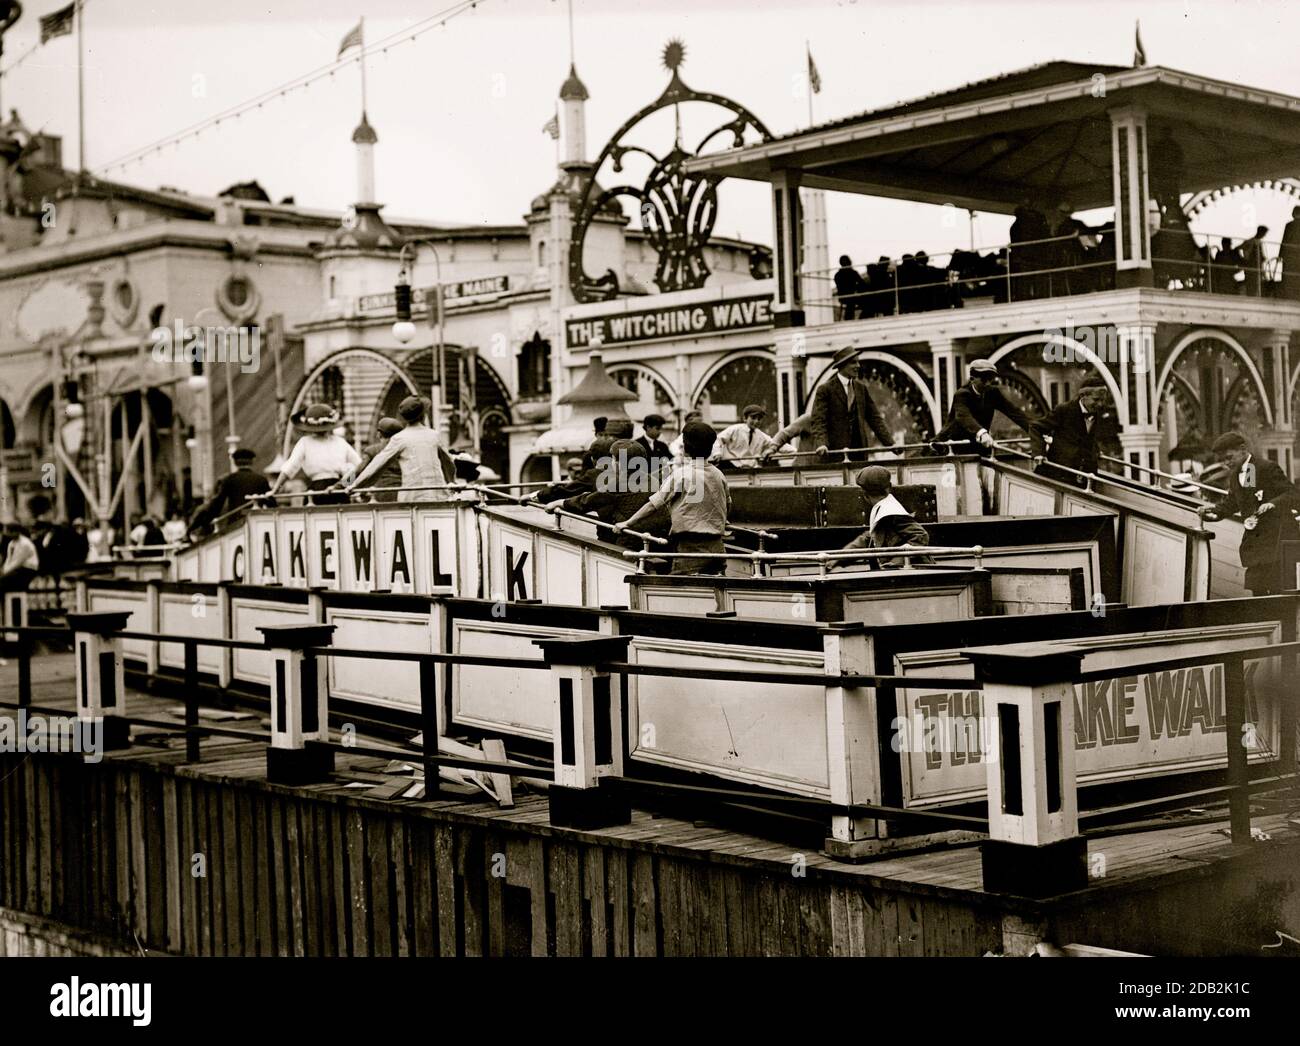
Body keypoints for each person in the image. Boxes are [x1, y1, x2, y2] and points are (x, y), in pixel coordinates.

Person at [617, 420, 731, 575]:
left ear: (686, 448)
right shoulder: (719, 474)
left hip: (690, 546)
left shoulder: (681, 474)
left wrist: (627, 523)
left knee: (680, 589)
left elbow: (654, 504)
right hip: (717, 546)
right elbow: (727, 504)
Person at [1198, 432, 1300, 595]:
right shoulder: (1241, 473)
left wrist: (1272, 504)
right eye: (1223, 459)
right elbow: (1235, 502)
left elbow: (1293, 494)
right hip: (1257, 550)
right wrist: (1214, 513)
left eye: (1229, 457)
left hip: (1278, 546)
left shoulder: (1266, 468)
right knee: (1258, 596)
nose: (1226, 463)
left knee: (1280, 597)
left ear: (1243, 449)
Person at [548, 439, 671, 551]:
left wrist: (558, 503)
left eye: (612, 458)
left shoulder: (618, 485)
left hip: (632, 541)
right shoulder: (653, 480)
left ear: (619, 463)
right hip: (659, 540)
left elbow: (586, 502)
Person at [345, 396, 447, 503]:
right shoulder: (426, 438)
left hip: (388, 495)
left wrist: (344, 485)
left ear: (379, 434)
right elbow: (446, 463)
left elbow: (358, 472)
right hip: (412, 492)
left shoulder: (374, 450)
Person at [932, 360, 1036, 454]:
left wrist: (1035, 432)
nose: (988, 383)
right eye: (984, 380)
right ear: (972, 379)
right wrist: (982, 433)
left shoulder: (992, 393)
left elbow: (1014, 413)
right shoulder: (962, 394)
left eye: (990, 379)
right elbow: (963, 416)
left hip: (980, 445)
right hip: (956, 446)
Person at [268, 403, 362, 506]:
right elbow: (360, 466)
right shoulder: (340, 441)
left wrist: (275, 489)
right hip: (338, 490)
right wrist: (347, 483)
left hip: (317, 490)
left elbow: (290, 467)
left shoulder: (305, 442)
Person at [810, 346, 894, 459]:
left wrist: (891, 444)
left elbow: (875, 419)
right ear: (842, 365)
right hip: (835, 454)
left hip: (860, 453)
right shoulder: (825, 389)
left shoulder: (861, 389)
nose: (858, 366)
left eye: (858, 362)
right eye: (853, 363)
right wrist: (822, 444)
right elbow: (818, 421)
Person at [840, 465, 932, 568]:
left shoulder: (891, 511)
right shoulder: (883, 507)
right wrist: (838, 558)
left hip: (914, 572)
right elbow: (870, 538)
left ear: (864, 494)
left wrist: (895, 562)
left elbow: (920, 536)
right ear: (889, 488)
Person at [1029, 379, 1113, 486]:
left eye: (1102, 400)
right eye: (1096, 400)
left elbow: (1086, 437)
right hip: (1060, 474)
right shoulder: (1064, 410)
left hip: (1085, 476)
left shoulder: (1097, 412)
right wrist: (1039, 453)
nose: (1100, 404)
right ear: (1083, 396)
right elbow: (1035, 427)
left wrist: (1095, 450)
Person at [189, 447, 273, 533]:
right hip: (257, 523)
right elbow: (271, 503)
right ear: (252, 461)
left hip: (235, 524)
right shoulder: (261, 480)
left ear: (235, 462)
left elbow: (217, 504)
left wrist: (206, 522)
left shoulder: (229, 479)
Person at [354, 418, 405, 503]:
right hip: (404, 493)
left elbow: (357, 472)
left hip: (381, 495)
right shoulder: (404, 449)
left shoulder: (372, 450)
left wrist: (341, 485)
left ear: (379, 434)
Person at [710, 404, 774, 469]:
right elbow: (717, 439)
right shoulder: (735, 429)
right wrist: (717, 453)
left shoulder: (761, 435)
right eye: (753, 418)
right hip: (730, 466)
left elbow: (775, 443)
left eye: (759, 419)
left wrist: (769, 451)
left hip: (750, 469)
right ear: (745, 418)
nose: (756, 421)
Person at [0, 522, 39, 593]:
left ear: (15, 532)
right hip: (16, 569)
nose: (6, 534)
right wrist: (3, 570)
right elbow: (9, 559)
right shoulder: (11, 543)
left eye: (8, 532)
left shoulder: (25, 544)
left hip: (27, 569)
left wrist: (5, 573)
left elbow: (18, 562)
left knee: (4, 582)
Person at [636, 414, 673, 479]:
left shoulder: (662, 446)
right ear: (648, 427)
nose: (660, 431)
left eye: (661, 429)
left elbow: (671, 460)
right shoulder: (637, 444)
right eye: (657, 428)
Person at [833, 255, 870, 320]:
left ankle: (850, 318)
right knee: (868, 302)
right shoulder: (853, 273)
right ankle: (861, 318)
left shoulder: (837, 275)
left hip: (842, 297)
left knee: (852, 301)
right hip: (851, 297)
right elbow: (862, 283)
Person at [1240, 225, 1269, 296]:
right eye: (1264, 233)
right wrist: (1244, 259)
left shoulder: (1260, 242)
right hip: (1251, 267)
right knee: (1252, 284)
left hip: (1258, 267)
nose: (1264, 235)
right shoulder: (1250, 241)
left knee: (1259, 283)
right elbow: (1239, 248)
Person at [1280, 206, 1300, 302]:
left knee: (1288, 278)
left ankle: (1288, 296)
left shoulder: (1290, 225)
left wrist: (1280, 255)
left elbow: (1285, 241)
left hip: (1290, 255)